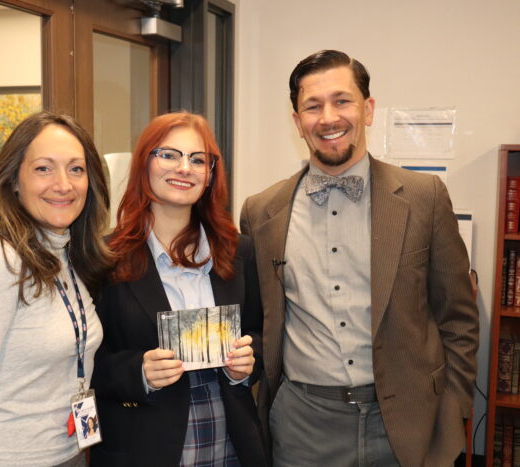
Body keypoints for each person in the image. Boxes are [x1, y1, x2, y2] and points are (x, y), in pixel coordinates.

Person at [240, 50, 479, 466]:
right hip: (302, 427)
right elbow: (257, 322)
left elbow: (458, 320)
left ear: (368, 109)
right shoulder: (261, 212)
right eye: (312, 106)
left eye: (342, 100)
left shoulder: (425, 198)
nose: (328, 118)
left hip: (407, 423)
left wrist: (452, 410)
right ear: (297, 122)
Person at [91, 112, 267, 467]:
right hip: (143, 442)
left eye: (198, 159)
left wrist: (249, 363)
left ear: (210, 175)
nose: (185, 168)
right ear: (145, 164)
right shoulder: (104, 257)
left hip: (230, 437)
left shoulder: (238, 250)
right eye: (169, 154)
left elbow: (259, 333)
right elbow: (85, 362)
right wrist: (138, 371)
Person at [0, 112, 113, 466]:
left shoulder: (66, 253)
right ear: (14, 180)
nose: (63, 184)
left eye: (76, 169)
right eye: (43, 169)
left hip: (67, 453)